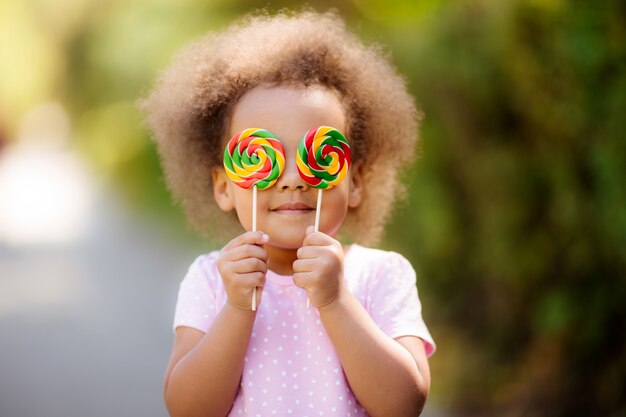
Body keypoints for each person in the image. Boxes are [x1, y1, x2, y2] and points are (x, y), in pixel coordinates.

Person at [141, 9, 436, 417]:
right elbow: (188, 409)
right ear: (225, 186)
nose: (295, 179)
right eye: (267, 155)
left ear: (355, 181)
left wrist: (335, 300)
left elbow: (403, 405)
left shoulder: (382, 275)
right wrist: (237, 307)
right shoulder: (212, 281)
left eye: (316, 153)